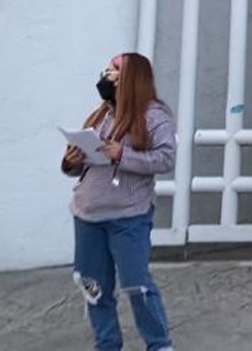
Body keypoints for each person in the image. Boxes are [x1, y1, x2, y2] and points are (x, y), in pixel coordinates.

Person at [63, 52, 177, 351]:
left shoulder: (154, 116)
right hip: (87, 215)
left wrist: (123, 155)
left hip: (128, 217)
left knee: (136, 285)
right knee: (93, 287)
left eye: (114, 71)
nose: (106, 76)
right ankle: (107, 344)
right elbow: (83, 165)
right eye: (106, 70)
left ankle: (159, 344)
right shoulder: (102, 114)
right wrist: (70, 162)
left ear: (132, 79)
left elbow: (165, 159)